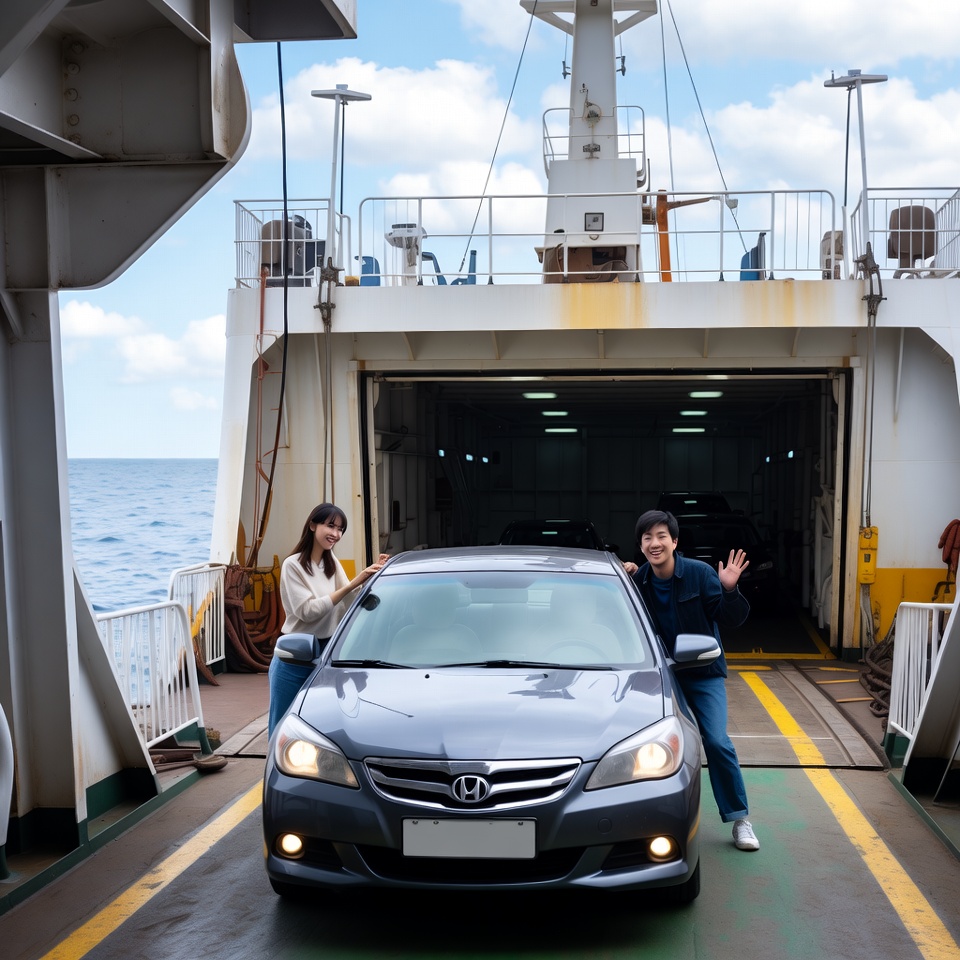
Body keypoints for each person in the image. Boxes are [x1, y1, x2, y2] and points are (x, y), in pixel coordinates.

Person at [626, 509, 760, 852]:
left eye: (661, 536)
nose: (654, 544)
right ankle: (641, 820)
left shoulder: (700, 575)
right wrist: (623, 575)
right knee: (640, 747)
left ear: (674, 541)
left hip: (702, 672)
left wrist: (729, 590)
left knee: (716, 742)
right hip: (658, 678)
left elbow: (732, 619)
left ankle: (740, 818)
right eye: (647, 538)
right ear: (641, 545)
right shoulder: (638, 581)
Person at [268, 502, 388, 734]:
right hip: (294, 654)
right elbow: (307, 611)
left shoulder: (331, 563)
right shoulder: (292, 565)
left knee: (321, 726)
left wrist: (375, 576)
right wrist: (355, 582)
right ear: (313, 525)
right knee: (281, 725)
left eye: (340, 529)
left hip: (328, 652)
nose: (335, 534)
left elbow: (351, 601)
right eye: (330, 526)